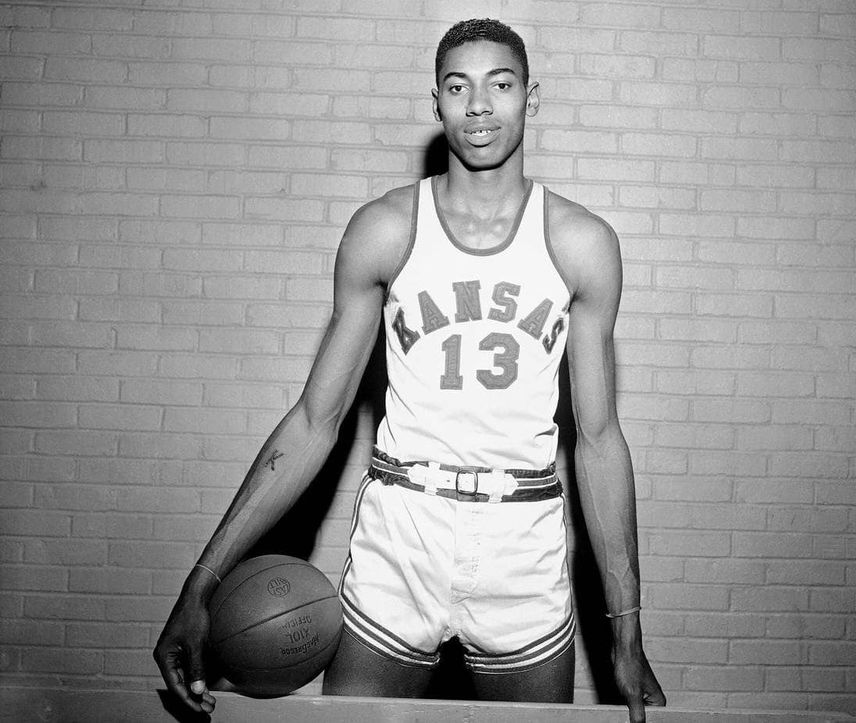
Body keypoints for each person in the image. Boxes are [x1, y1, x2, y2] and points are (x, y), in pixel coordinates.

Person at [154, 18, 665, 723]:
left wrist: (627, 629)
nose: (478, 105)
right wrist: (201, 582)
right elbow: (315, 420)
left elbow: (600, 441)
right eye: (458, 87)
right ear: (437, 103)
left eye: (500, 85)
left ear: (531, 97)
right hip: (402, 527)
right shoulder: (386, 229)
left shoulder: (582, 243)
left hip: (521, 539)